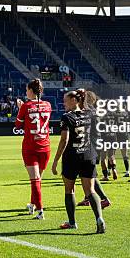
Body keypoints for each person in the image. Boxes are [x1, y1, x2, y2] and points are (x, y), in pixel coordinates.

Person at [51, 89, 106, 234]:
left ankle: (72, 222)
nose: (63, 103)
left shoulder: (66, 117)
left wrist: (55, 160)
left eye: (65, 100)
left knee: (70, 190)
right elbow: (96, 135)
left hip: (72, 157)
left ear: (74, 100)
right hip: (88, 155)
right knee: (90, 190)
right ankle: (99, 218)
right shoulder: (90, 114)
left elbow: (64, 139)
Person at [15, 78, 52, 220]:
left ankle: (41, 211)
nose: (26, 92)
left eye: (26, 90)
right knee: (37, 179)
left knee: (35, 179)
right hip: (45, 147)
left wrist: (20, 108)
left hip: (31, 147)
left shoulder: (26, 106)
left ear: (31, 91)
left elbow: (18, 125)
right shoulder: (48, 105)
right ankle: (32, 204)